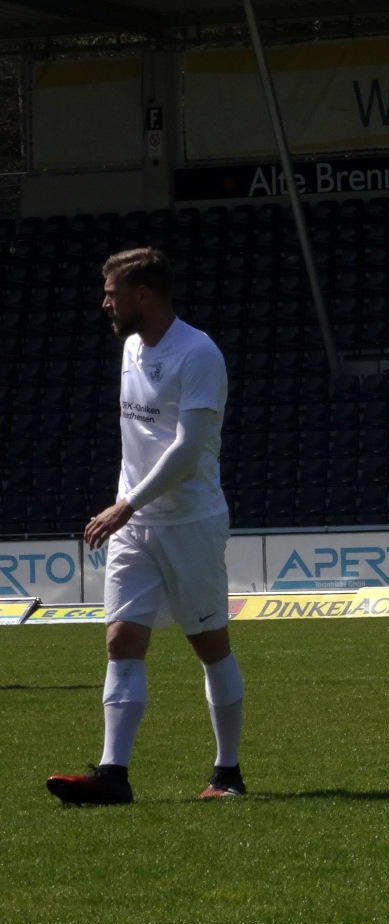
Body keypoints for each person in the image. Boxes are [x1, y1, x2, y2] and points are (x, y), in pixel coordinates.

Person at [47, 247, 246, 806]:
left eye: (111, 293)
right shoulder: (132, 347)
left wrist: (125, 505)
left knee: (210, 646)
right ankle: (114, 774)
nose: (104, 303)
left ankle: (227, 774)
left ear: (143, 295)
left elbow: (188, 448)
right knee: (121, 640)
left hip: (189, 523)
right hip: (135, 525)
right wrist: (127, 507)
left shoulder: (198, 353)